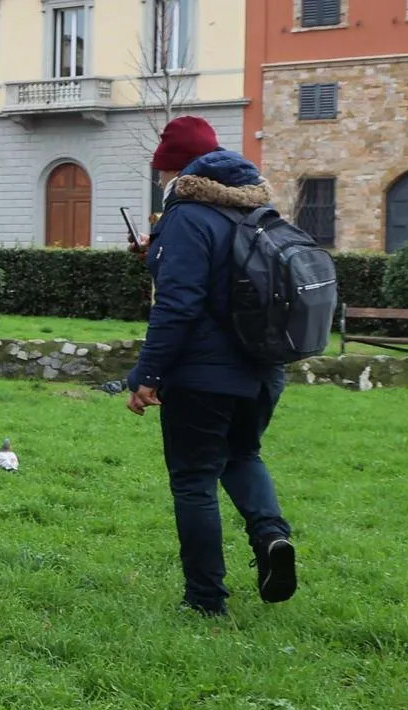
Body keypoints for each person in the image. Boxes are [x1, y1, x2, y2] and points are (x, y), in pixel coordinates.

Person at [122, 116, 298, 618]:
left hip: (202, 374)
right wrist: (157, 253)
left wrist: (147, 376)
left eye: (160, 173)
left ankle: (205, 599)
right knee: (243, 456)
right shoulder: (258, 210)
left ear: (175, 171)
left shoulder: (185, 216)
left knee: (193, 479)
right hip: (265, 366)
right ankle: (271, 537)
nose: (158, 183)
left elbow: (178, 306)